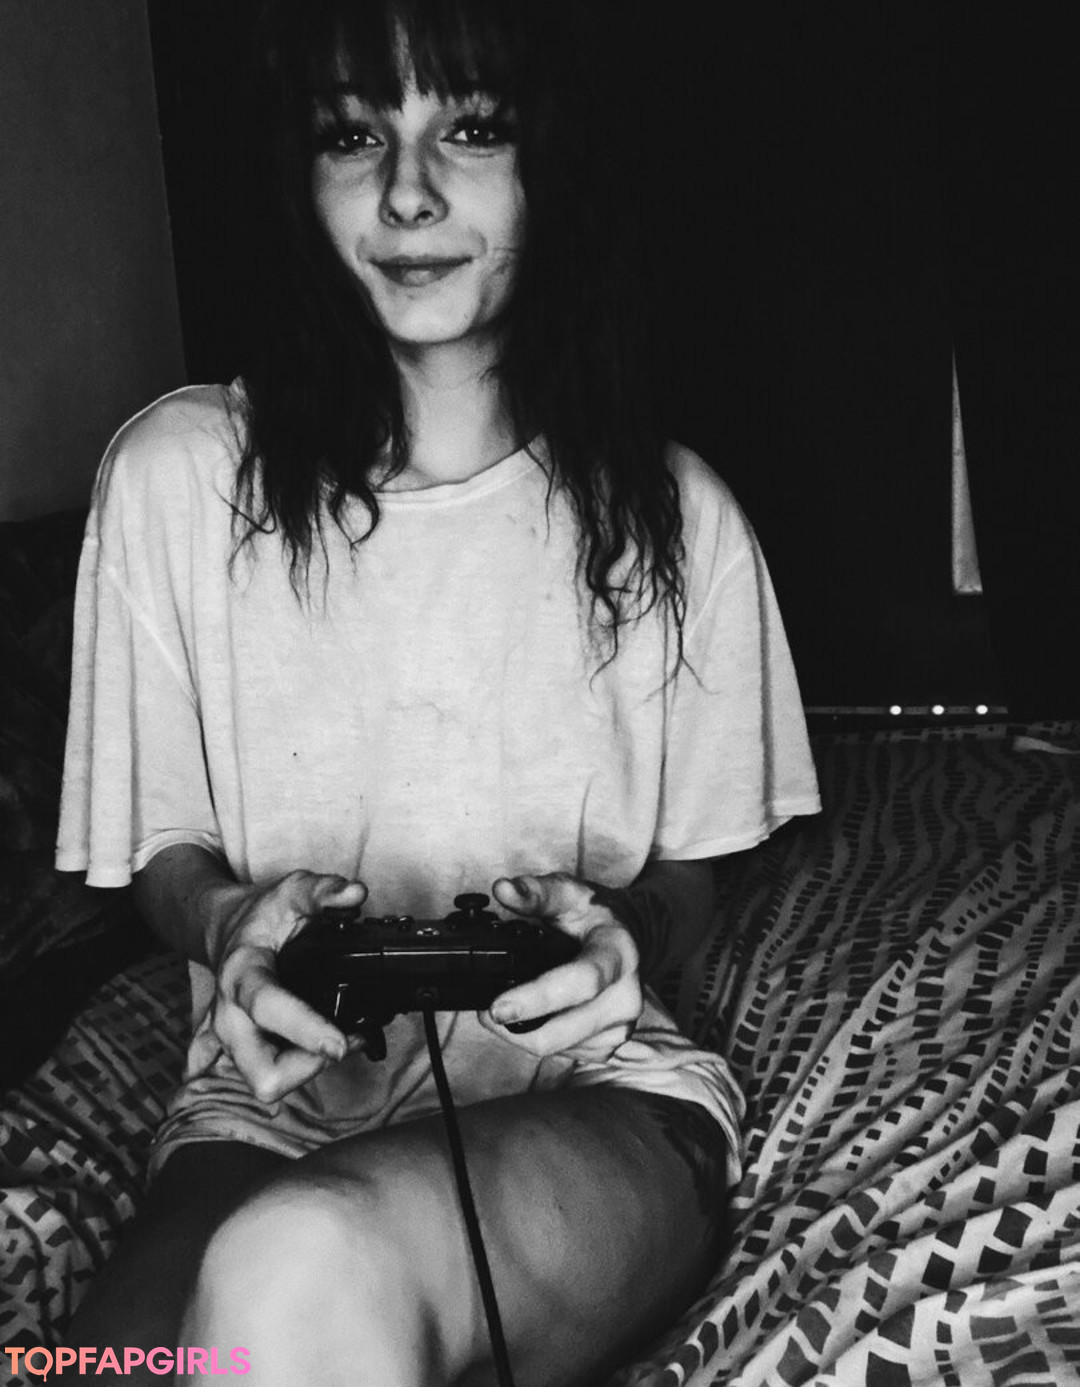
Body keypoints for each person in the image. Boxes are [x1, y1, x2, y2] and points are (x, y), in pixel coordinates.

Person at [55, 0, 819, 1381]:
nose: (408, 194)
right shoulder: (176, 479)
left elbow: (696, 865)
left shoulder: (677, 518)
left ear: (555, 163)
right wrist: (226, 920)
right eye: (354, 136)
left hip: (595, 1092)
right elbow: (162, 847)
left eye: (471, 127)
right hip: (272, 1108)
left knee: (300, 1269)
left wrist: (626, 930)